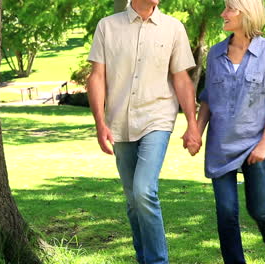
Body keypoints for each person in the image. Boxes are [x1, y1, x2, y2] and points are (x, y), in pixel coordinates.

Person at [86, 0, 201, 263]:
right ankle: (144, 258)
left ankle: (158, 261)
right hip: (119, 122)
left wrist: (192, 125)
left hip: (157, 118)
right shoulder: (107, 26)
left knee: (143, 190)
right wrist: (100, 122)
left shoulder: (173, 28)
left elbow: (181, 78)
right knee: (132, 199)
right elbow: (97, 76)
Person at [187, 0, 265, 263]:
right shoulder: (216, 53)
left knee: (260, 210)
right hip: (220, 145)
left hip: (256, 143)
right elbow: (208, 98)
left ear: (247, 13)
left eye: (229, 9)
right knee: (226, 212)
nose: (223, 14)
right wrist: (196, 132)